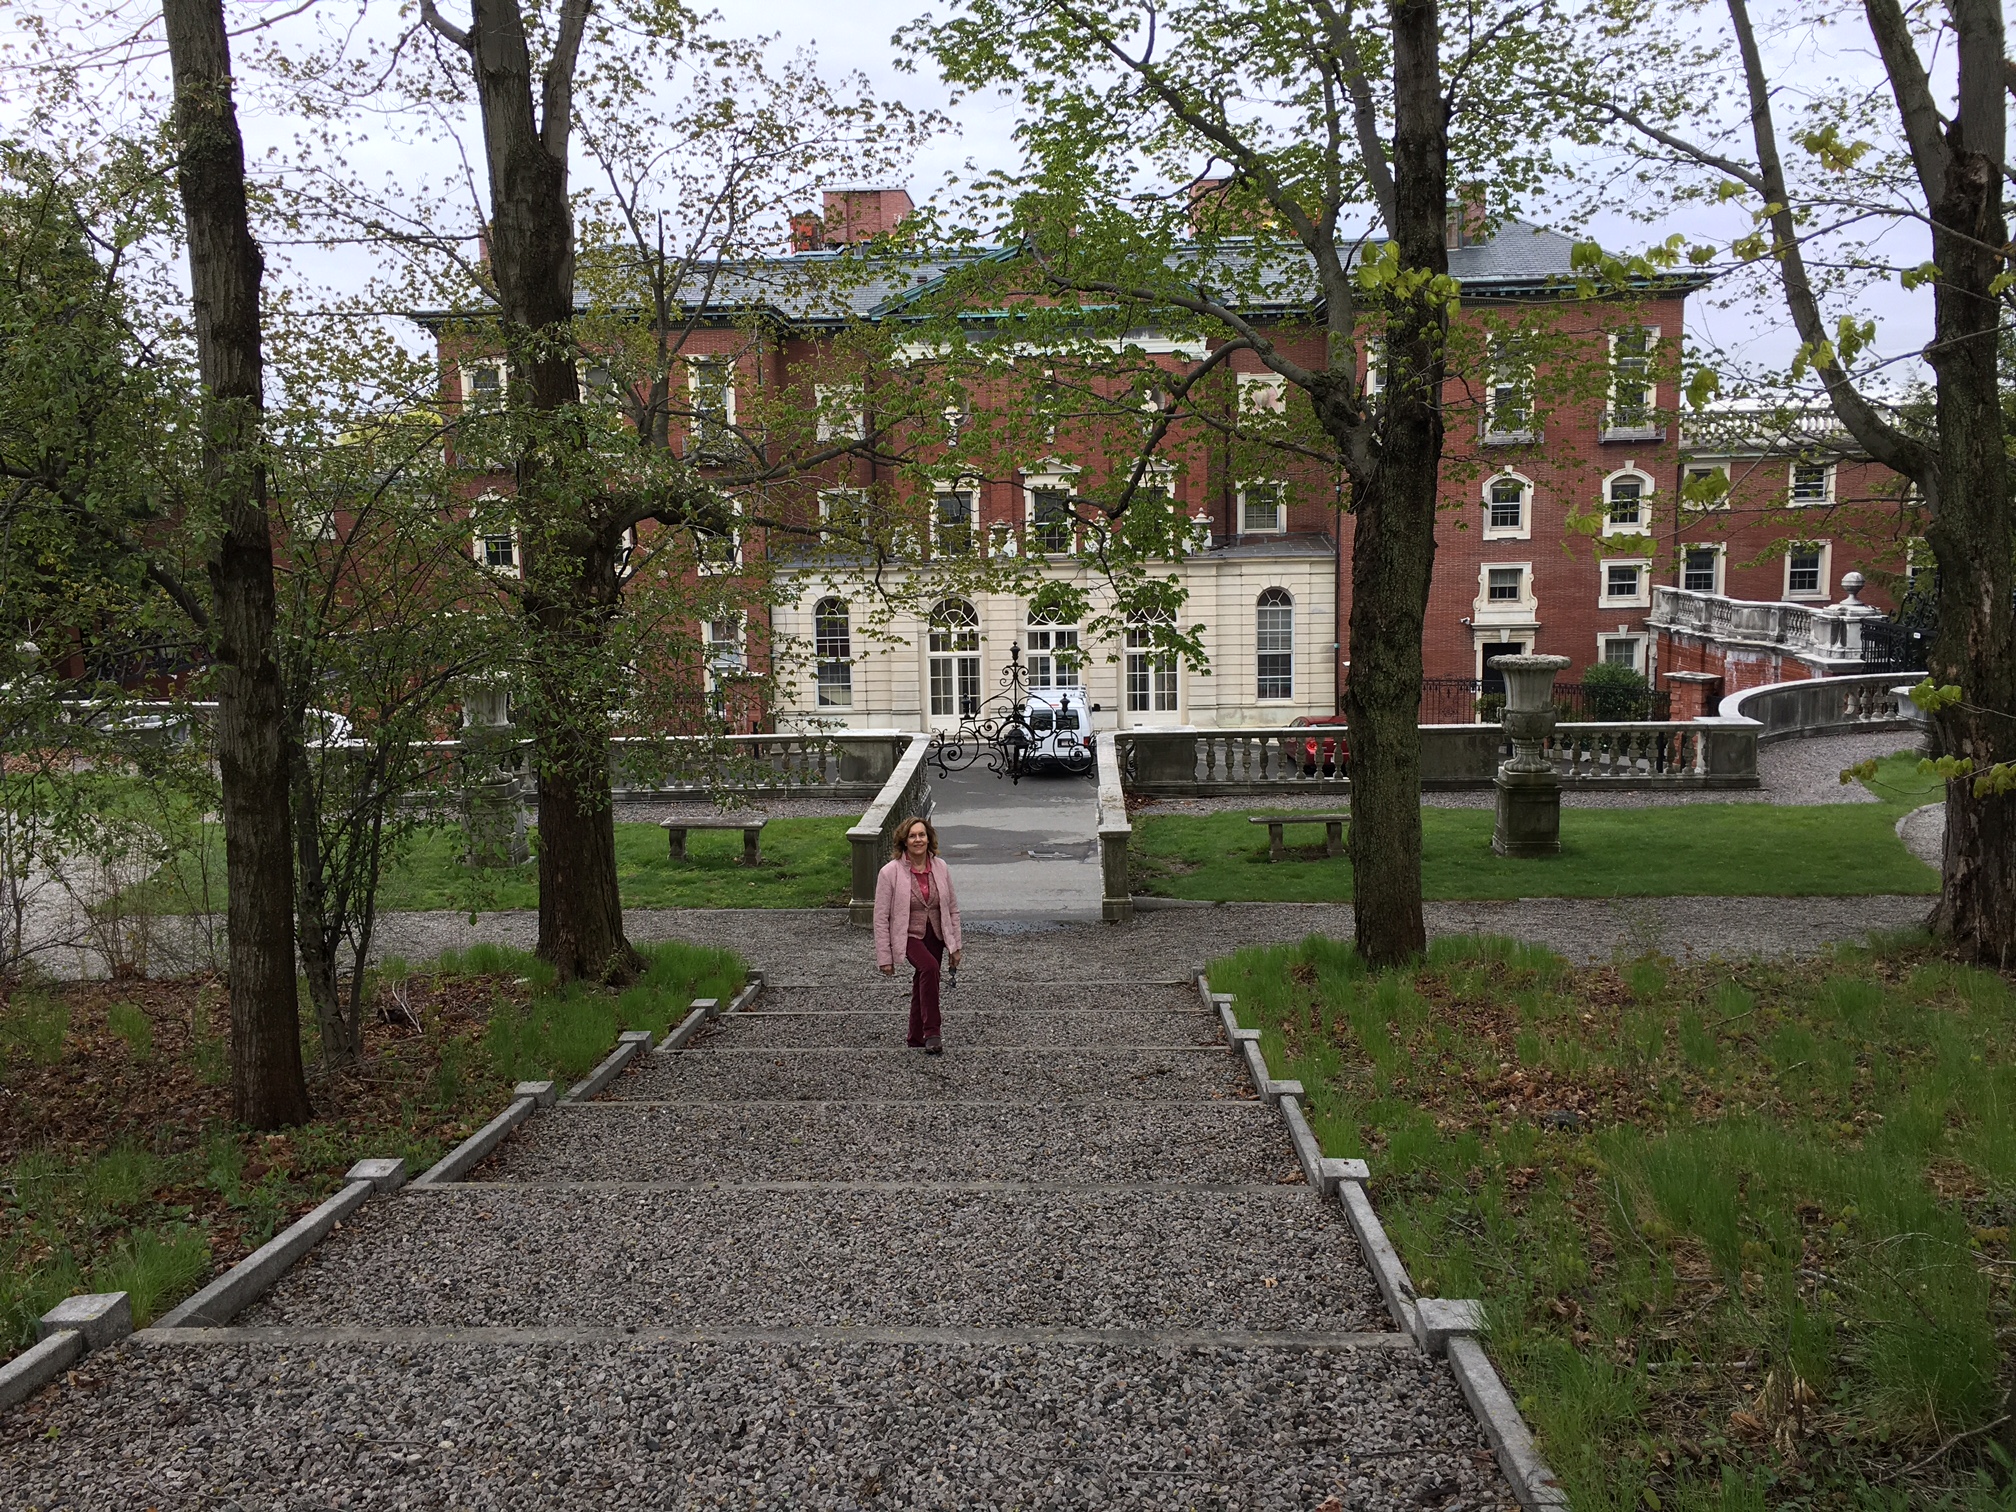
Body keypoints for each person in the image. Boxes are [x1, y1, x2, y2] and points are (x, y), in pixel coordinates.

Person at [873, 815, 963, 1054]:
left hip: (936, 933)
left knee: (922, 981)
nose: (917, 840)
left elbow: (952, 908)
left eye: (921, 834)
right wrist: (885, 957)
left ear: (928, 838)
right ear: (904, 841)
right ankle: (932, 1032)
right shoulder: (889, 873)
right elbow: (880, 917)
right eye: (912, 836)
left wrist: (956, 945)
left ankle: (915, 1036)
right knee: (930, 968)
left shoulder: (941, 867)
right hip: (908, 936)